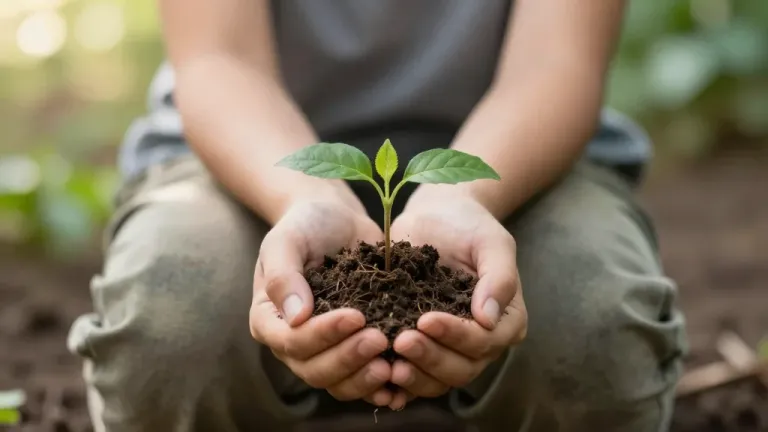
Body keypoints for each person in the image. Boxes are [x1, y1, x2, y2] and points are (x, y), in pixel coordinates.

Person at [67, 0, 687, 431]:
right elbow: (216, 59)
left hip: (518, 155)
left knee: (596, 336)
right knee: (169, 330)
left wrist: (459, 196)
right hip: (248, 153)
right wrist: (309, 196)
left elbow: (558, 61)